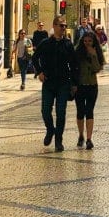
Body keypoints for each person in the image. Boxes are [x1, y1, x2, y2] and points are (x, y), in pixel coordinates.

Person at [34, 14, 79, 152]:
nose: (63, 28)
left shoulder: (68, 45)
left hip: (63, 83)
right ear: (54, 26)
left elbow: (74, 65)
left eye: (65, 26)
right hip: (48, 82)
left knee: (61, 112)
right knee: (45, 111)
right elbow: (35, 58)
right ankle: (50, 130)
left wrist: (74, 84)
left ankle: (58, 139)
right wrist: (40, 72)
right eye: (61, 26)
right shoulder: (46, 43)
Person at [74, 29, 104, 149]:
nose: (87, 43)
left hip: (92, 86)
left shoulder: (96, 53)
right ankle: (81, 135)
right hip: (80, 86)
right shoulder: (78, 52)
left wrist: (93, 55)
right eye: (85, 41)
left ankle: (89, 139)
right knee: (80, 112)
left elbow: (97, 69)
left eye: (90, 41)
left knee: (89, 111)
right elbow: (74, 68)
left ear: (93, 42)